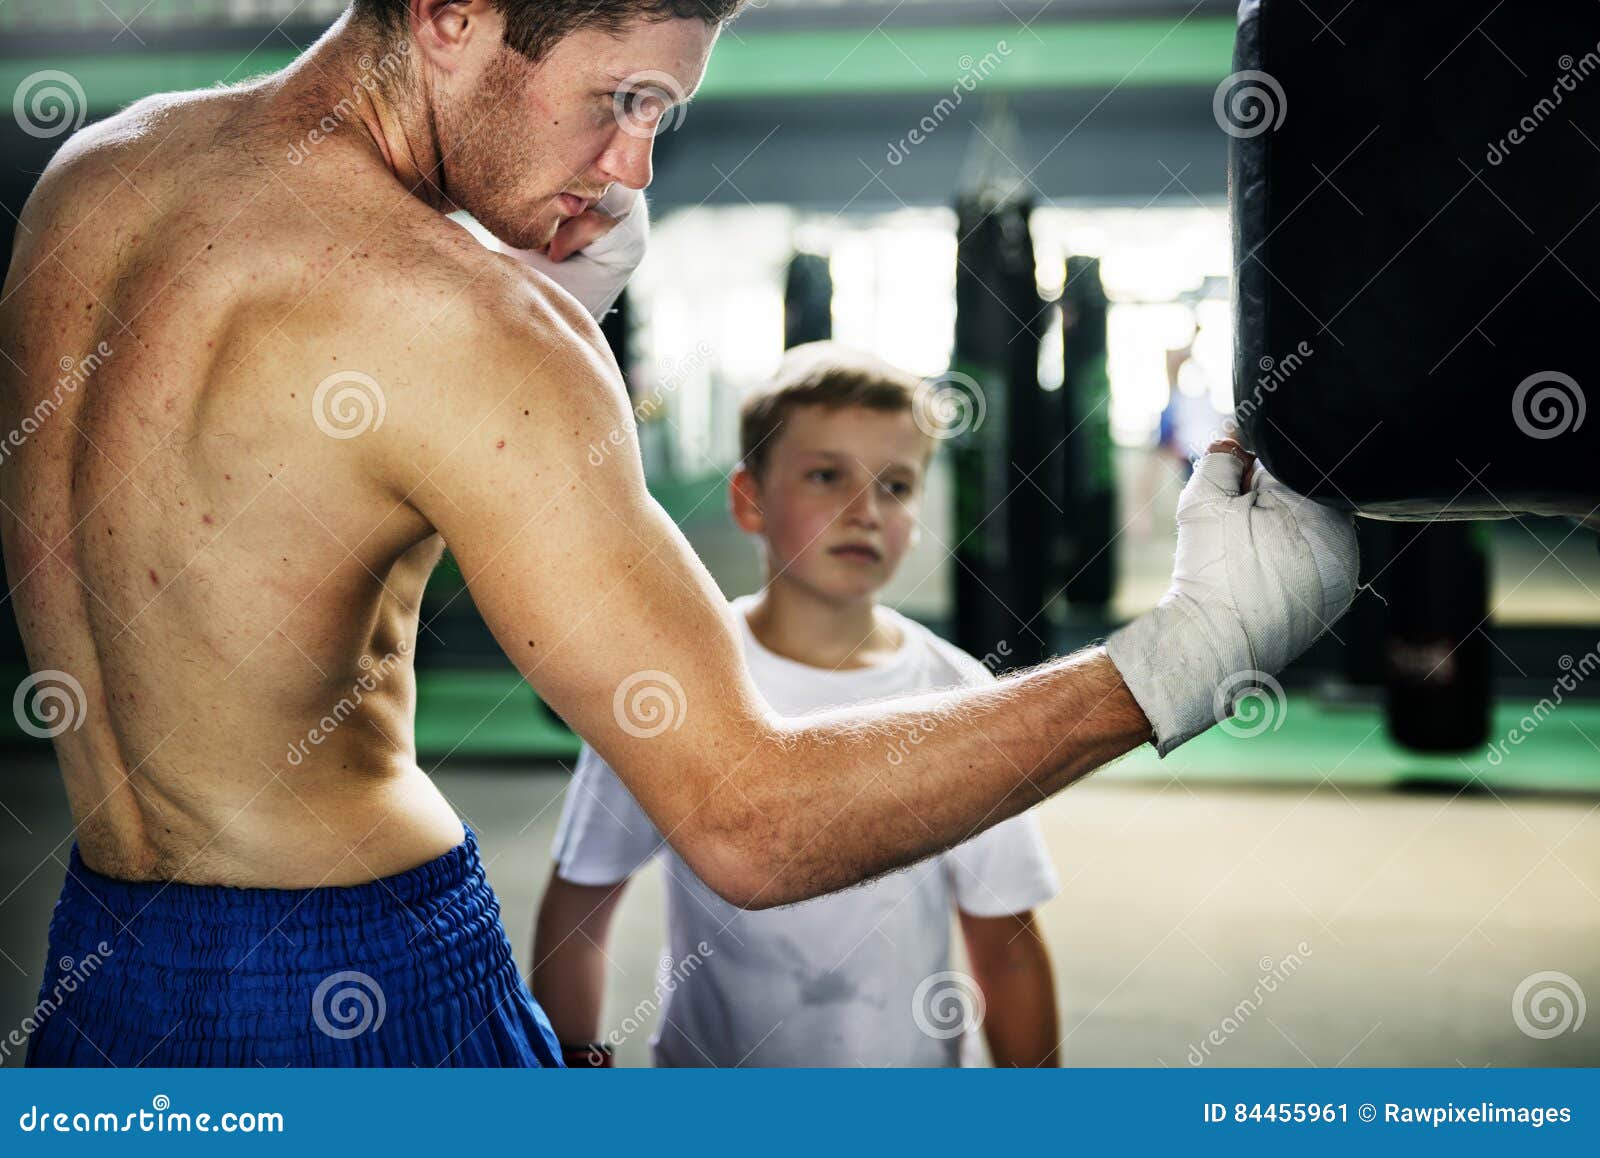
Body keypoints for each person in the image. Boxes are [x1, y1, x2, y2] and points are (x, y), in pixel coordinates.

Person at [0, 0, 1358, 1067]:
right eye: (620, 98)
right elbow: (746, 821)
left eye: (664, 110)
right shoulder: (476, 327)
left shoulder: (97, 177)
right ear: (451, 13)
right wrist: (1181, 654)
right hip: (354, 985)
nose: (637, 163)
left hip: (102, 959)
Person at [533, 344, 1061, 1068]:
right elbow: (578, 912)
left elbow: (1008, 947)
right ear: (749, 499)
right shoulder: (669, 692)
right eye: (826, 476)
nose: (866, 512)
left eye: (897, 486)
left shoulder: (959, 691)